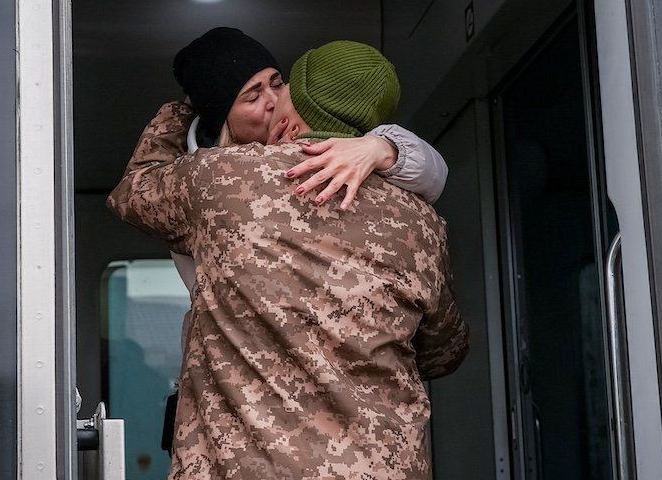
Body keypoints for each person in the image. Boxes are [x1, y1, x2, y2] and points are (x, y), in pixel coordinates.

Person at [107, 40, 469, 480]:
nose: (273, 102)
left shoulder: (219, 184)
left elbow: (136, 190)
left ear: (298, 98)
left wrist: (187, 107)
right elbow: (444, 349)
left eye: (281, 86)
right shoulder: (419, 221)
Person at [158, 27, 449, 452]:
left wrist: (379, 146)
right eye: (251, 96)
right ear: (222, 118)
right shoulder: (205, 183)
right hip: (257, 417)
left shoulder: (348, 156)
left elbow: (434, 171)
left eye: (276, 83)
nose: (274, 101)